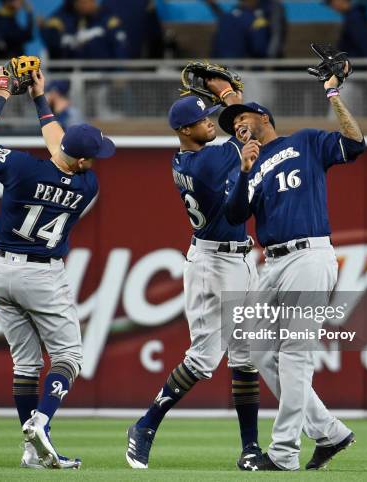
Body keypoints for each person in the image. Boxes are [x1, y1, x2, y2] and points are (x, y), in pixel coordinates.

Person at [0, 64, 115, 469]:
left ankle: (32, 452)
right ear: (83, 159)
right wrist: (40, 98)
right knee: (69, 358)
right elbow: (63, 152)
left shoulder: (20, 167)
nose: (97, 161)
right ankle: (41, 422)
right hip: (42, 273)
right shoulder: (88, 187)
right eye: (95, 155)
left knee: (27, 364)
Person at [219, 63, 364, 470]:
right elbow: (233, 217)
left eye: (242, 117)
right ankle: (329, 432)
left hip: (309, 256)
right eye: (232, 124)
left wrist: (333, 95)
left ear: (263, 117)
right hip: (273, 263)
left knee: (295, 353)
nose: (237, 126)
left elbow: (355, 143)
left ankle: (284, 454)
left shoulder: (305, 142)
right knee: (256, 348)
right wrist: (245, 171)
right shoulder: (246, 166)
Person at [126, 85, 274, 471]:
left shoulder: (187, 159)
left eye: (208, 117)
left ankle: (249, 448)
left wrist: (228, 101)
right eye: (200, 121)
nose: (209, 123)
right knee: (205, 358)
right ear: (183, 131)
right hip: (216, 265)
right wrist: (229, 96)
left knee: (245, 356)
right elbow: (247, 133)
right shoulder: (206, 163)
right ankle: (145, 425)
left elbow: (236, 137)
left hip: (234, 259)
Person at [40, 0, 128, 60]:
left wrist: (119, 72)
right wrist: (44, 30)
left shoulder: (107, 20)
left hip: (103, 75)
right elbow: (56, 49)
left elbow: (119, 48)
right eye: (79, 3)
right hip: (77, 74)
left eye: (85, 2)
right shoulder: (70, 22)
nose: (81, 6)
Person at [204, 0, 286, 59]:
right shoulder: (244, 12)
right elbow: (259, 47)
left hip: (256, 63)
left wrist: (270, 59)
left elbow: (276, 34)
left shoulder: (272, 7)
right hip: (244, 64)